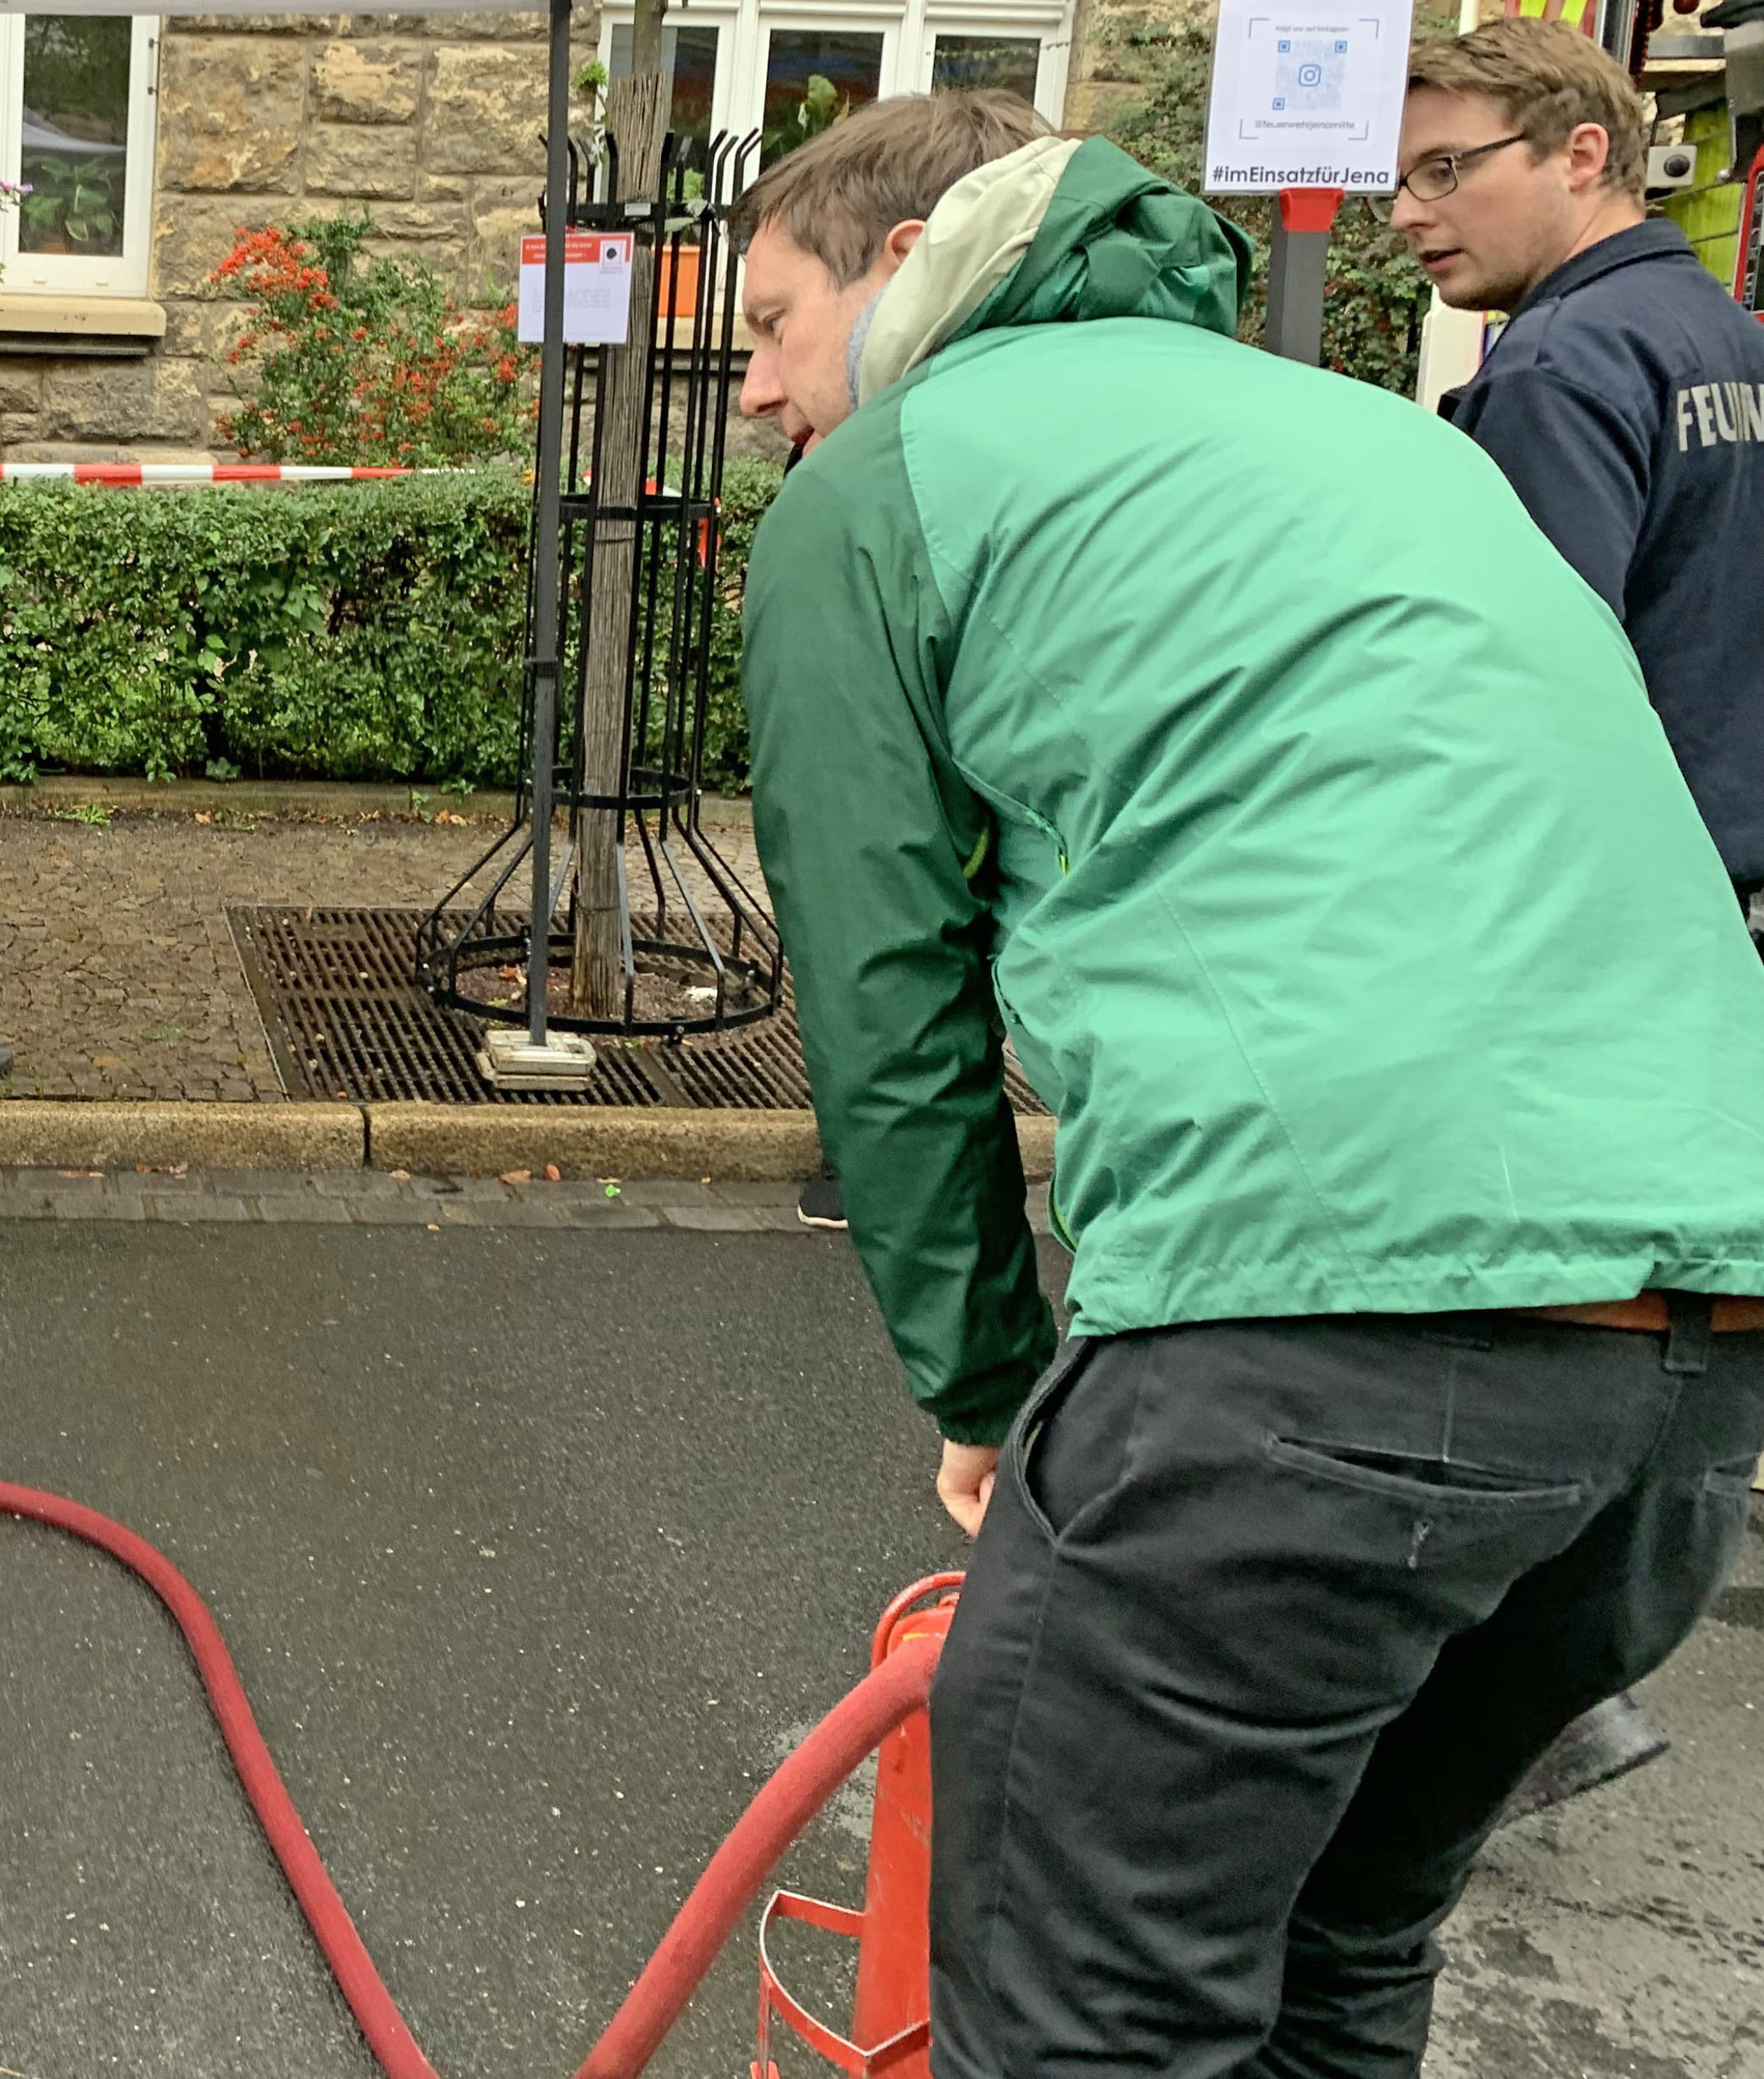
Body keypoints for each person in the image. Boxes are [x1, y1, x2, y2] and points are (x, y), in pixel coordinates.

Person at [732, 91, 1764, 2076]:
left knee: (1089, 2013)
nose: (760, 389)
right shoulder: (1374, 435)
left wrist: (984, 1387)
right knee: (1335, 1948)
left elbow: (881, 986)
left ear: (904, 265)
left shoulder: (881, 488)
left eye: (774, 324)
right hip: (1694, 1346)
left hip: (1318, 1328)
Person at [1399, 19, 1764, 947]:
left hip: (1604, 903)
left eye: (1443, 169)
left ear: (1580, 154)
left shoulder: (1554, 369)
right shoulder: (1719, 331)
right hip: (1717, 881)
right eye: (1401, 182)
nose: (1406, 213)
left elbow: (1523, 693)